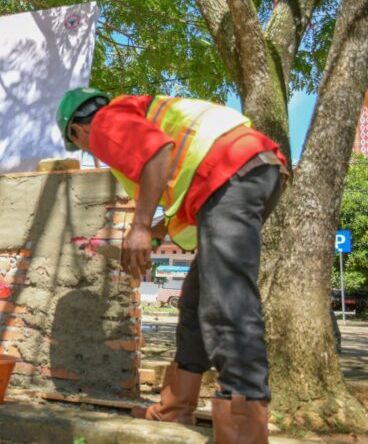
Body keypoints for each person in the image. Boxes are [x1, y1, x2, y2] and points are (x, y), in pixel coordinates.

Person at [56, 88, 288, 444]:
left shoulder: (104, 122)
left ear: (77, 131)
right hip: (246, 172)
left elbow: (157, 154)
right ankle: (176, 407)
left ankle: (243, 429)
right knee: (195, 302)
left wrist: (140, 226)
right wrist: (151, 231)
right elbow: (182, 194)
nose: (91, 151)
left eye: (82, 146)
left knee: (227, 302)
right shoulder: (139, 114)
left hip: (232, 172)